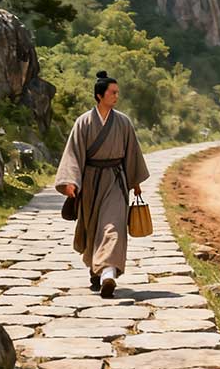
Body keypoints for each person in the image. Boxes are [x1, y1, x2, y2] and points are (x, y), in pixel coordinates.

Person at [54, 71, 149, 298]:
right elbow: (74, 154)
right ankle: (96, 273)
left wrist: (134, 181)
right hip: (90, 181)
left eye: (117, 92)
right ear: (100, 95)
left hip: (116, 181)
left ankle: (108, 273)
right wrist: (70, 182)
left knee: (113, 226)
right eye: (112, 92)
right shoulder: (83, 122)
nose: (117, 96)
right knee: (93, 227)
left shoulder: (123, 122)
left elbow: (132, 153)